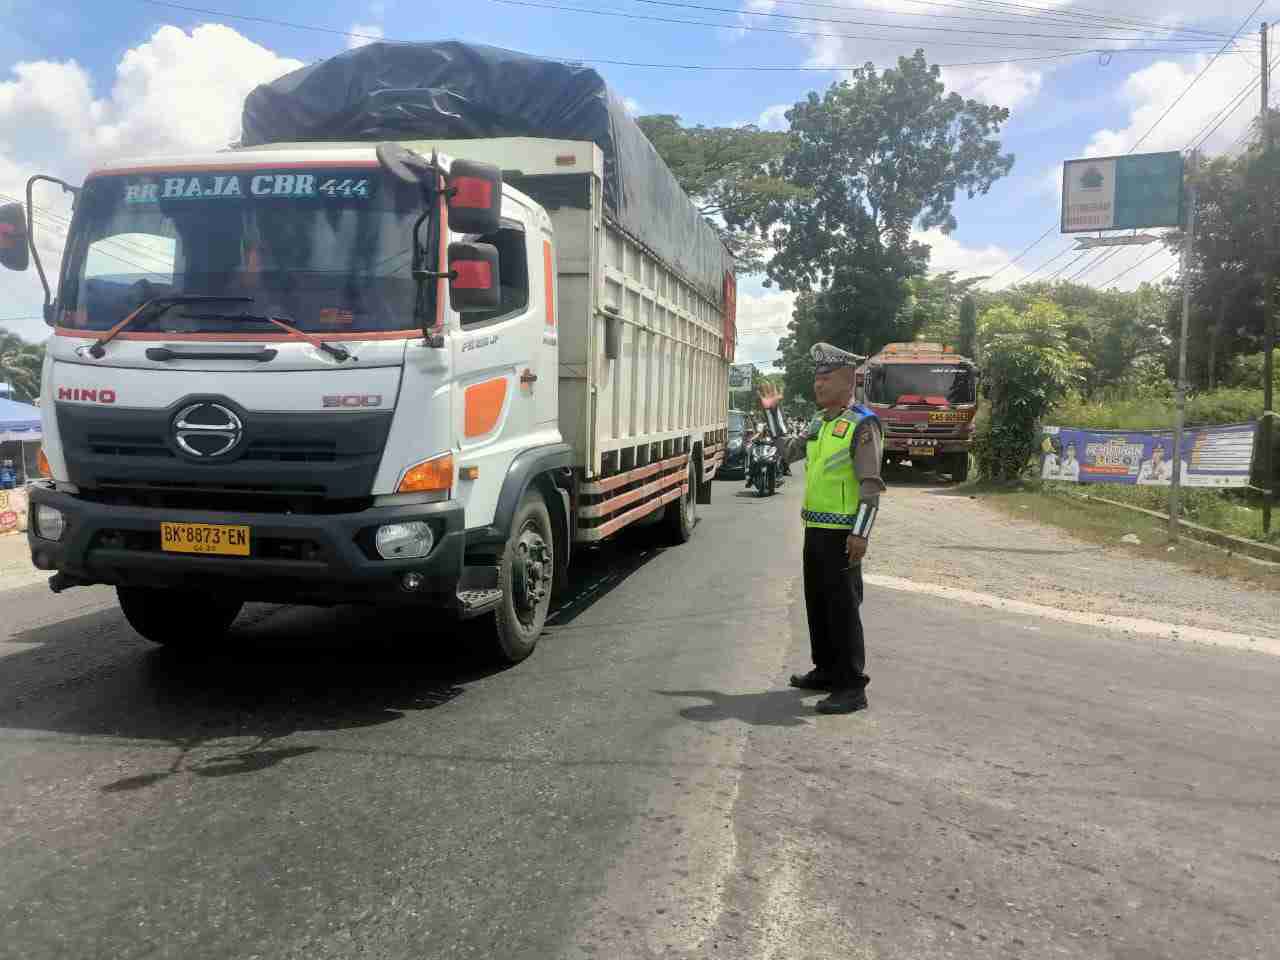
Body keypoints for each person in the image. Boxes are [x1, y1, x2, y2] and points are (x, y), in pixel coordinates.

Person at [758, 342, 883, 715]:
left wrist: (860, 533)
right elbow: (787, 451)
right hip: (815, 527)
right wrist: (773, 413)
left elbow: (871, 484)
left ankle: (851, 687)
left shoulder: (862, 423)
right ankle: (826, 670)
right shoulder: (820, 423)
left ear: (848, 382)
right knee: (819, 603)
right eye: (817, 380)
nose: (819, 386)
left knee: (843, 608)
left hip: (844, 534)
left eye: (827, 379)